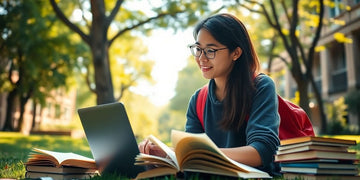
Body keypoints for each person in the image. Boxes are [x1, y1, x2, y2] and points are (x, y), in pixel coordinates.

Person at [139, 13, 280, 176]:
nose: (201, 58)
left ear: (236, 53)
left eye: (210, 50)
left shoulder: (261, 86)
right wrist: (160, 156)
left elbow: (261, 151)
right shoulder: (198, 100)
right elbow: (191, 162)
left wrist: (194, 155)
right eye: (198, 49)